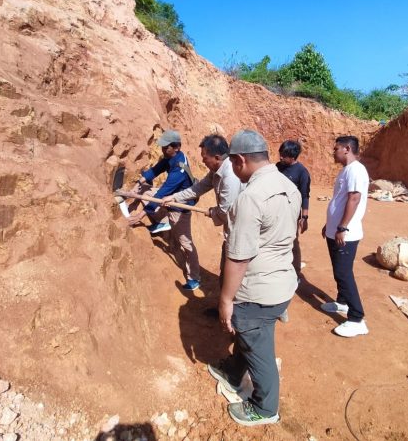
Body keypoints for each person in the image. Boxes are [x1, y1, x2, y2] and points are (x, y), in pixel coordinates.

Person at [206, 129, 301, 426]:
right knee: (252, 337)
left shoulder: (251, 197)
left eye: (233, 164)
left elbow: (239, 256)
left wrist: (225, 299)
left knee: (257, 346)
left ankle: (265, 407)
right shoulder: (289, 186)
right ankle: (234, 370)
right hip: (282, 282)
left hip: (259, 289)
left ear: (239, 160)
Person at [162, 134, 242, 287]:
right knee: (226, 274)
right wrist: (174, 198)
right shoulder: (217, 170)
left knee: (235, 278)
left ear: (217, 157)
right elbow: (199, 187)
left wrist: (213, 212)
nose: (203, 161)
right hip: (231, 230)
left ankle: (230, 308)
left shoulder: (230, 176)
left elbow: (225, 212)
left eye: (205, 158)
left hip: (239, 232)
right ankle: (222, 308)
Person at [127, 130, 201, 291]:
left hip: (180, 208)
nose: (162, 150)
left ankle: (194, 277)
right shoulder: (169, 158)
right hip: (168, 198)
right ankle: (163, 221)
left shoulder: (179, 169)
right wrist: (136, 186)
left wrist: (140, 215)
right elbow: (154, 171)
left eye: (165, 147)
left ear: (176, 147)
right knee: (146, 191)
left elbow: (163, 193)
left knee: (186, 243)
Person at [320, 135, 370, 337]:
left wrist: (342, 227)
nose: (334, 152)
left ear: (347, 149)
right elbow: (340, 200)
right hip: (337, 230)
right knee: (338, 269)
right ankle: (342, 302)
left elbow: (354, 198)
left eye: (336, 148)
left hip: (346, 234)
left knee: (343, 272)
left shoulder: (356, 170)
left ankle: (357, 318)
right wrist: (330, 224)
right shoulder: (346, 171)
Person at [276, 140, 311, 278]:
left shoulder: (302, 173)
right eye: (280, 154)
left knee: (292, 242)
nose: (280, 157)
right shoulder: (278, 167)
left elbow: (305, 196)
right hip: (275, 212)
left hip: (291, 214)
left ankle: (295, 273)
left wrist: (304, 217)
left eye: (284, 155)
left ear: (293, 156)